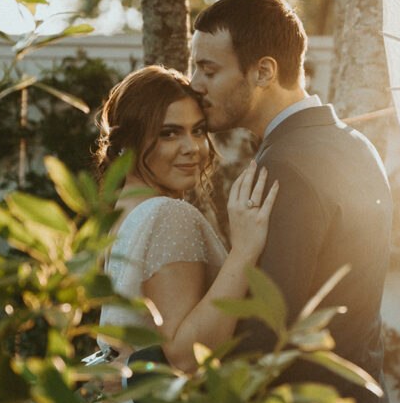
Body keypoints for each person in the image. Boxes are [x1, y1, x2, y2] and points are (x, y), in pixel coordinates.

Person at [189, 0, 400, 403]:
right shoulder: (355, 146)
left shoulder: (281, 167)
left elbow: (267, 334)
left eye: (208, 69)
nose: (194, 84)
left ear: (263, 72)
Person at [94, 65, 278, 369]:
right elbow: (185, 356)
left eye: (198, 130)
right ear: (127, 142)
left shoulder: (120, 215)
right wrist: (244, 252)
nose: (192, 148)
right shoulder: (168, 214)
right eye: (169, 134)